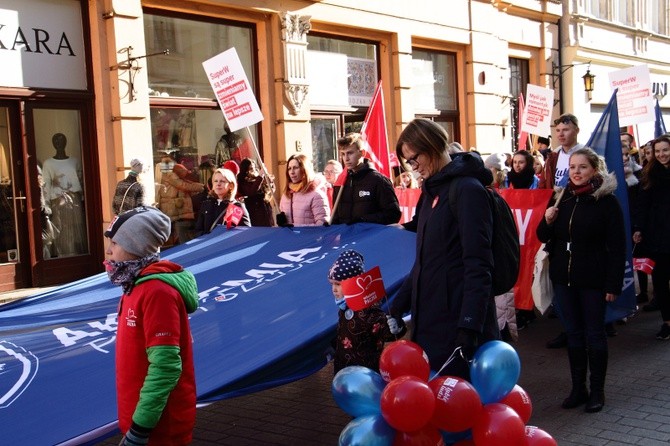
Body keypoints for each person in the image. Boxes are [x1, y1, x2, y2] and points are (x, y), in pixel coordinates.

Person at [389, 118, 499, 379]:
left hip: (456, 323)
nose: (413, 168)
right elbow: (424, 261)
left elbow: (479, 264)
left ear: (433, 148)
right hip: (429, 320)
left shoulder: (467, 191)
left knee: (460, 406)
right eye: (408, 162)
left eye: (414, 159)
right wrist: (396, 306)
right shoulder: (430, 192)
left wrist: (469, 326)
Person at [536, 147, 625, 413]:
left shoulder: (607, 202)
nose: (576, 172)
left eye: (582, 167)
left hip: (594, 278)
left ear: (594, 170)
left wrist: (613, 284)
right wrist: (548, 219)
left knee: (594, 334)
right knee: (573, 334)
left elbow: (618, 247)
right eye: (573, 167)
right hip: (565, 277)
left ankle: (597, 391)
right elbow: (543, 235)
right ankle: (578, 388)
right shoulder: (563, 197)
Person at [103, 206, 198, 445]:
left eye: (115, 243)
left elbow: (166, 367)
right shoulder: (133, 286)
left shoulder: (157, 292)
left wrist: (140, 428)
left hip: (159, 428)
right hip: (142, 421)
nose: (108, 251)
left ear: (136, 247)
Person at [328, 249, 406, 374]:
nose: (334, 289)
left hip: (365, 373)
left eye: (338, 284)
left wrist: (397, 327)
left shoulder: (369, 310)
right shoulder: (345, 307)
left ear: (352, 284)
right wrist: (334, 346)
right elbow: (344, 332)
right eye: (331, 284)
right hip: (344, 370)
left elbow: (387, 331)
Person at [633, 134, 670, 338]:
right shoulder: (648, 174)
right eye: (658, 151)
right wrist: (638, 228)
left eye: (665, 150)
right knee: (660, 282)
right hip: (656, 237)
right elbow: (642, 205)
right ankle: (667, 322)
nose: (662, 154)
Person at [331, 133, 400, 225]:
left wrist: (363, 220)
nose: (346, 158)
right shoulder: (341, 182)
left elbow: (393, 214)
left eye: (350, 153)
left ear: (362, 153)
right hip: (347, 238)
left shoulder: (379, 181)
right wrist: (330, 226)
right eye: (343, 154)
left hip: (370, 237)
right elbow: (336, 217)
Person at [41, 132, 86, 256]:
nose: (59, 144)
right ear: (53, 144)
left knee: (76, 227)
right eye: (56, 141)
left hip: (74, 200)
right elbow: (47, 184)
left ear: (66, 143)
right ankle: (64, 255)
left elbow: (81, 180)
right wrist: (47, 203)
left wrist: (82, 198)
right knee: (61, 228)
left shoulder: (74, 161)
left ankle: (76, 253)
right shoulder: (48, 163)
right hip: (58, 201)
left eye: (61, 141)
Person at [277, 153, 330, 226]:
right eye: (289, 168)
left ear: (304, 169)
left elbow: (322, 225)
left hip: (309, 237)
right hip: (289, 237)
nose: (292, 172)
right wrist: (282, 224)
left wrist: (296, 227)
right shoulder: (286, 195)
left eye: (295, 168)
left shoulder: (316, 195)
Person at [195, 168, 251, 236]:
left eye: (222, 181)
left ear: (231, 186)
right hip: (208, 245)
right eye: (215, 181)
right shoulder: (206, 204)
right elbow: (198, 231)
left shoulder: (235, 207)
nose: (218, 184)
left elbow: (244, 233)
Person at [158, 164, 204, 244]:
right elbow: (184, 186)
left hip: (174, 207)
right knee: (181, 233)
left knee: (179, 232)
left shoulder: (171, 174)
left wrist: (202, 186)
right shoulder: (170, 175)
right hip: (174, 207)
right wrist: (203, 187)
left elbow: (187, 183)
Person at [541, 114, 585, 189]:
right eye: (558, 130)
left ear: (577, 131)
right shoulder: (552, 157)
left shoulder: (586, 155)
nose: (560, 134)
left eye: (565, 130)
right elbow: (543, 184)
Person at [237, 158, 275, 227]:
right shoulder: (243, 180)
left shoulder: (258, 178)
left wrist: (268, 179)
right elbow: (252, 191)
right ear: (245, 170)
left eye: (254, 167)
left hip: (265, 209)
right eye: (251, 168)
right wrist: (260, 176)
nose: (253, 170)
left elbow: (272, 190)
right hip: (254, 211)